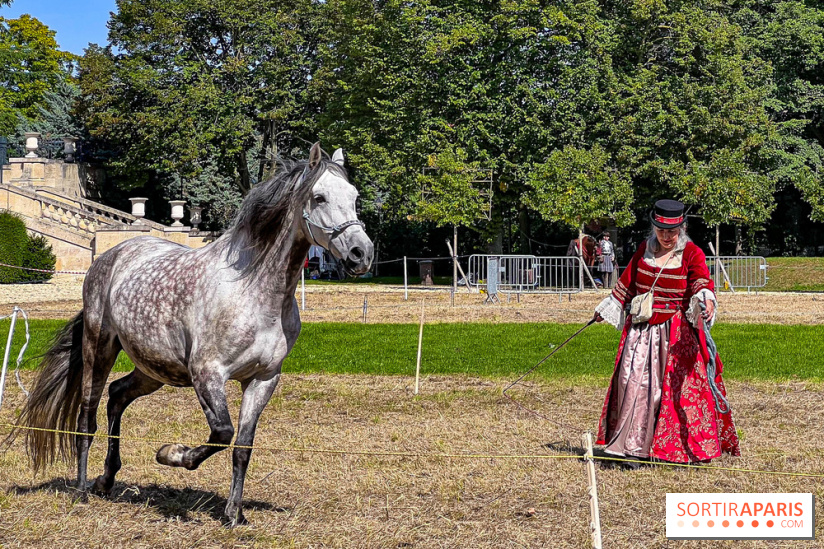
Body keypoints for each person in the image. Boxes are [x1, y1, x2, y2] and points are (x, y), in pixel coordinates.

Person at [593, 199, 740, 467]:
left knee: (675, 391)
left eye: (672, 231)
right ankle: (631, 448)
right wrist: (607, 307)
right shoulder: (644, 250)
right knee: (633, 384)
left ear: (681, 228)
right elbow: (626, 282)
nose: (667, 236)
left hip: (675, 334)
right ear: (654, 227)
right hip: (641, 331)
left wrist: (705, 301)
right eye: (662, 230)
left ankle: (681, 450)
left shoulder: (691, 252)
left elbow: (700, 281)